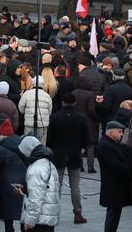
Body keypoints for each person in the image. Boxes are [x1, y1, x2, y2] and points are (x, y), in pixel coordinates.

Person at [46, 93, 89, 224]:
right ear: (74, 103)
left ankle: (54, 213)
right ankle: (78, 213)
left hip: (58, 153)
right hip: (74, 154)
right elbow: (85, 138)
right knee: (75, 186)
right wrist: (81, 148)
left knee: (56, 185)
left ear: (63, 102)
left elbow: (50, 138)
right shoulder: (81, 118)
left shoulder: (55, 117)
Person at [15, 136, 60, 231]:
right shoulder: (48, 163)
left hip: (38, 221)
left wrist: (30, 221)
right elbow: (44, 189)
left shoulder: (36, 168)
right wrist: (25, 189)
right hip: (47, 218)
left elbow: (36, 198)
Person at [96, 120, 132, 232]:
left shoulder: (111, 144)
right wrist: (130, 170)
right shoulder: (105, 145)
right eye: (120, 132)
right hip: (113, 186)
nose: (121, 135)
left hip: (116, 186)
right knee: (113, 215)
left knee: (114, 214)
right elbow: (116, 165)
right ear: (112, 132)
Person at [0, 119, 26, 232]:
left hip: (5, 182)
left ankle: (9, 228)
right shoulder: (23, 145)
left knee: (7, 209)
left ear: (2, 135)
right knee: (24, 208)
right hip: (23, 180)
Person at [18, 76, 52, 144]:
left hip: (29, 123)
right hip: (42, 125)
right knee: (41, 145)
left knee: (28, 145)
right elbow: (49, 111)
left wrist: (27, 113)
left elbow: (21, 108)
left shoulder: (26, 94)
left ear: (33, 83)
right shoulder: (47, 96)